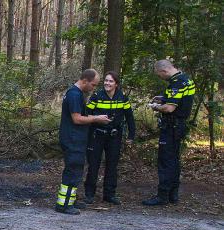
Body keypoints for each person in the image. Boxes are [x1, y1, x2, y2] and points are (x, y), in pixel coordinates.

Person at [55, 69, 112, 215]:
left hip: (76, 139)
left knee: (76, 170)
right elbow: (77, 118)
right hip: (72, 139)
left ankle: (70, 200)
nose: (94, 88)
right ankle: (64, 205)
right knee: (73, 170)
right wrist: (96, 118)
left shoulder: (77, 93)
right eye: (93, 85)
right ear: (85, 81)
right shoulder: (74, 94)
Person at [142, 59, 195, 206]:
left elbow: (169, 108)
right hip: (179, 125)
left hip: (171, 126)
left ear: (164, 71)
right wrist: (163, 98)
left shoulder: (176, 83)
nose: (160, 77)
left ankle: (162, 196)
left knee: (165, 161)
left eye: (159, 75)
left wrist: (155, 106)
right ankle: (173, 195)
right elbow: (180, 99)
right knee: (174, 160)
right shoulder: (186, 79)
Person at [83, 71, 136, 205]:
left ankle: (109, 194)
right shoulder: (97, 96)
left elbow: (129, 117)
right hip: (97, 135)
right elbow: (86, 114)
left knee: (112, 165)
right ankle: (89, 194)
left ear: (116, 84)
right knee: (93, 165)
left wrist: (131, 135)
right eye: (106, 80)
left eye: (111, 81)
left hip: (114, 136)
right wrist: (96, 120)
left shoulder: (122, 97)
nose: (107, 83)